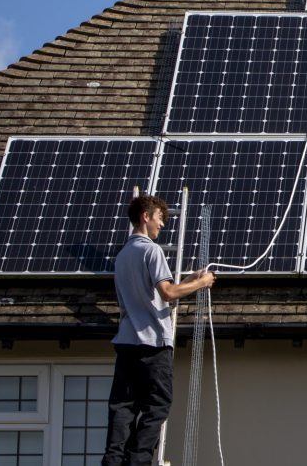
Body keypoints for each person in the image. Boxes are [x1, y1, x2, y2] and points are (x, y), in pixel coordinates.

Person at [102, 194, 215, 466]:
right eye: (160, 219)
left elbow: (149, 293)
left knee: (123, 406)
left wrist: (189, 279)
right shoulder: (152, 251)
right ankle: (139, 459)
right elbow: (167, 293)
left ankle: (114, 460)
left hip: (127, 342)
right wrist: (202, 283)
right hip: (152, 343)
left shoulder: (122, 256)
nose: (162, 225)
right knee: (157, 404)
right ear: (146, 216)